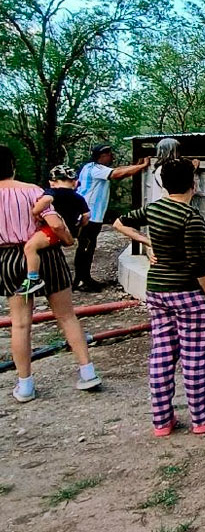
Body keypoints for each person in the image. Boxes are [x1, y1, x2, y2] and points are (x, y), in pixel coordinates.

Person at [113, 158, 205, 436]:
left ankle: (162, 421)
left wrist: (149, 243)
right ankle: (200, 419)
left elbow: (118, 223)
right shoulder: (189, 217)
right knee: (195, 357)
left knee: (161, 355)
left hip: (158, 293)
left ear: (162, 183)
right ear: (193, 185)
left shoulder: (155, 209)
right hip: (190, 295)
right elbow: (198, 263)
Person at [1, 145, 101, 402]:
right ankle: (87, 372)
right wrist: (69, 239)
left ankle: (25, 386)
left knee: (20, 323)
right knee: (67, 316)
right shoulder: (33, 191)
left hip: (9, 259)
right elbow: (55, 222)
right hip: (47, 255)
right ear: (12, 164)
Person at [74, 144, 149, 291]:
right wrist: (142, 166)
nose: (112, 157)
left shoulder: (90, 167)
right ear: (102, 156)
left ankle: (83, 278)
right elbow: (117, 174)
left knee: (87, 247)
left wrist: (135, 166)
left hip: (91, 215)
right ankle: (82, 280)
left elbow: (119, 171)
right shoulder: (95, 169)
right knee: (86, 248)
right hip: (90, 215)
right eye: (109, 154)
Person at [16, 165, 91, 295]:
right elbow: (86, 216)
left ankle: (33, 278)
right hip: (69, 230)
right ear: (74, 182)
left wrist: (35, 211)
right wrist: (78, 227)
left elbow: (46, 200)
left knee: (30, 247)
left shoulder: (53, 192)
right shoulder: (79, 197)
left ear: (53, 181)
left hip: (53, 229)